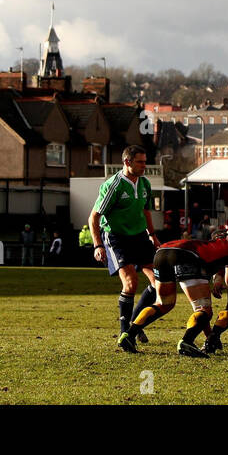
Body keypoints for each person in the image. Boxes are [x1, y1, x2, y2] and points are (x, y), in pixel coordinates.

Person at [88, 146, 159, 343]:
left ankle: (134, 325)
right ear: (128, 162)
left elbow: (146, 211)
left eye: (145, 162)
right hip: (117, 237)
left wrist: (152, 235)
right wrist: (98, 245)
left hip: (140, 237)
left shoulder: (144, 183)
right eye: (140, 162)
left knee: (158, 282)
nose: (144, 166)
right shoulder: (114, 185)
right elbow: (94, 217)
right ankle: (124, 334)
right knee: (130, 283)